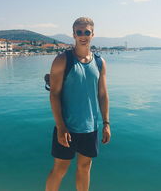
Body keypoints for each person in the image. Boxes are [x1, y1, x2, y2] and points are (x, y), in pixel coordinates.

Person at [45, 17, 111, 191]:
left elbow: (102, 95)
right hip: (67, 127)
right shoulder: (62, 60)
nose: (83, 36)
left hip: (90, 127)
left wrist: (106, 123)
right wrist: (60, 127)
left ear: (93, 34)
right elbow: (54, 94)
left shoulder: (99, 62)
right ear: (73, 34)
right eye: (79, 32)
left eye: (87, 32)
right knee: (60, 169)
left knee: (84, 168)